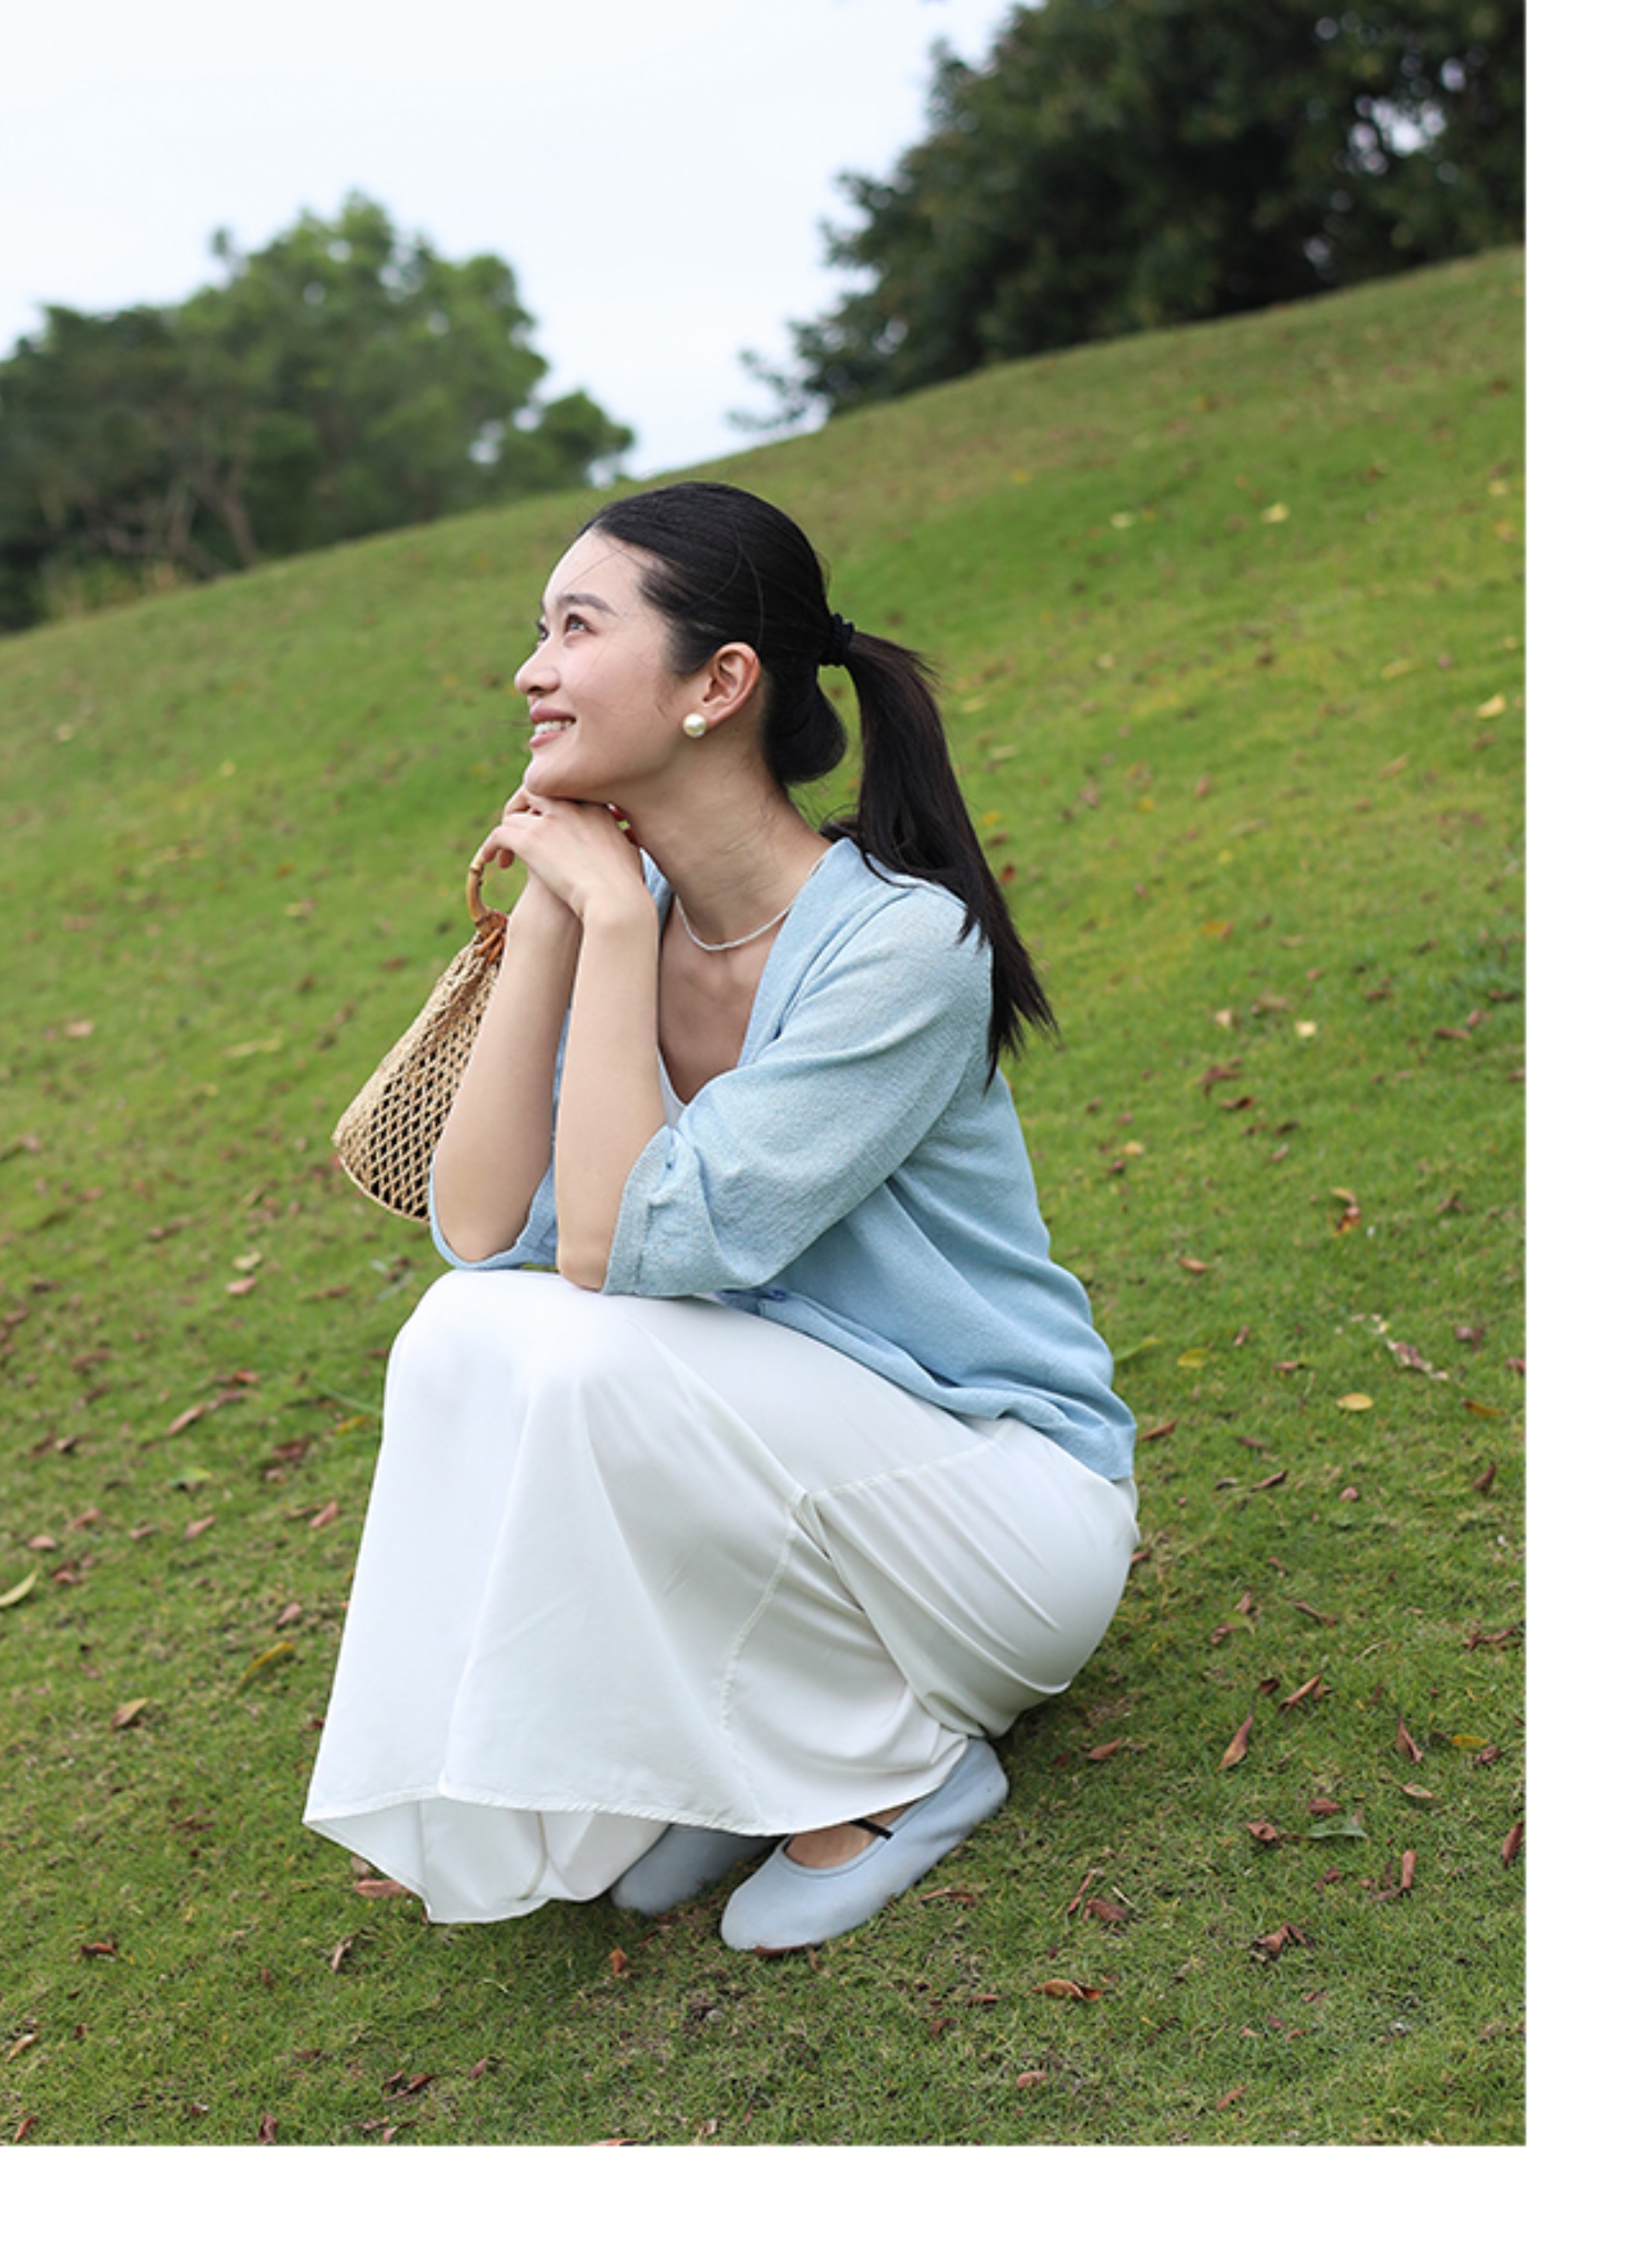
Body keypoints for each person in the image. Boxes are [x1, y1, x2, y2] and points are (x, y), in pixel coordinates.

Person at [304, 480, 1136, 1954]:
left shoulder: (902, 947)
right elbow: (480, 1230)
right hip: (808, 1475)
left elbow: (624, 1251)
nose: (532, 671)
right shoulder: (626, 910)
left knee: (590, 1351)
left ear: (721, 682)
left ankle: (904, 1772)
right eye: (540, 631)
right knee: (458, 1332)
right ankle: (756, 1744)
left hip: (1004, 1518)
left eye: (578, 628)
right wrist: (560, 916)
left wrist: (619, 921)